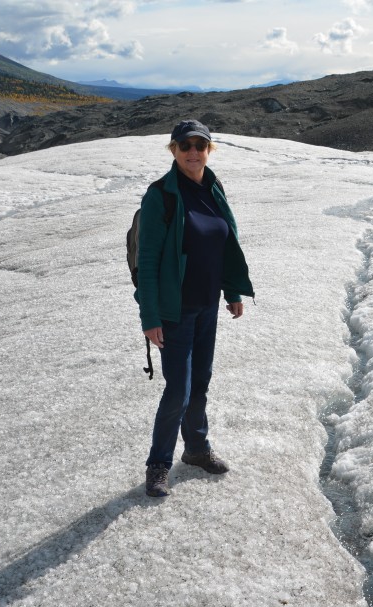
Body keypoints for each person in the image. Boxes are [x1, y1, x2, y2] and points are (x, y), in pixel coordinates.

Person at [135, 120, 254, 497]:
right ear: (173, 150)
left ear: (209, 149)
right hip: (174, 310)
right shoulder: (162, 195)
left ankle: (197, 449)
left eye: (200, 145)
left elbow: (225, 242)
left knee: (200, 382)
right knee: (178, 390)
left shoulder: (213, 188)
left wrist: (232, 290)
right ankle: (158, 465)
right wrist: (150, 316)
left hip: (207, 305)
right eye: (185, 145)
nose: (193, 151)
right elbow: (148, 260)